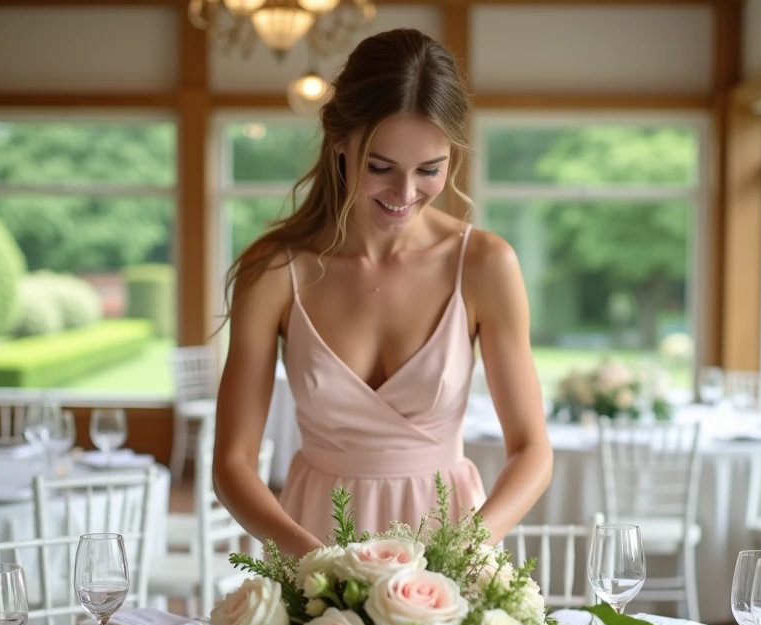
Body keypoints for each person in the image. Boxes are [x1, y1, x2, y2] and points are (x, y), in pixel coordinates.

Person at [213, 28, 552, 557]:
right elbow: (232, 463)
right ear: (340, 142)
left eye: (429, 170)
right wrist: (312, 562)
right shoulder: (275, 269)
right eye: (380, 167)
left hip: (453, 546)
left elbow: (532, 449)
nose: (405, 193)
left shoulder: (486, 265)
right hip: (312, 544)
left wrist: (466, 550)